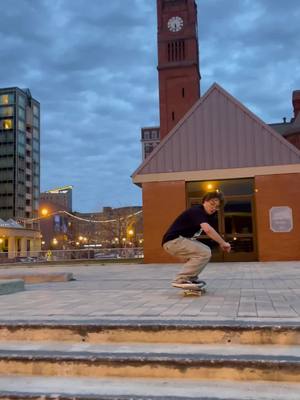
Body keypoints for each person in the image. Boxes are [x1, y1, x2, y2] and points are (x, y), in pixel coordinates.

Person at [162, 191, 231, 289]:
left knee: (203, 252)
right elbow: (208, 230)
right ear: (204, 201)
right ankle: (181, 279)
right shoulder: (197, 211)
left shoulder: (206, 216)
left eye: (217, 207)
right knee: (204, 252)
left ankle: (191, 278)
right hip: (173, 241)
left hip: (177, 241)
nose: (214, 208)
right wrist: (223, 243)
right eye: (212, 204)